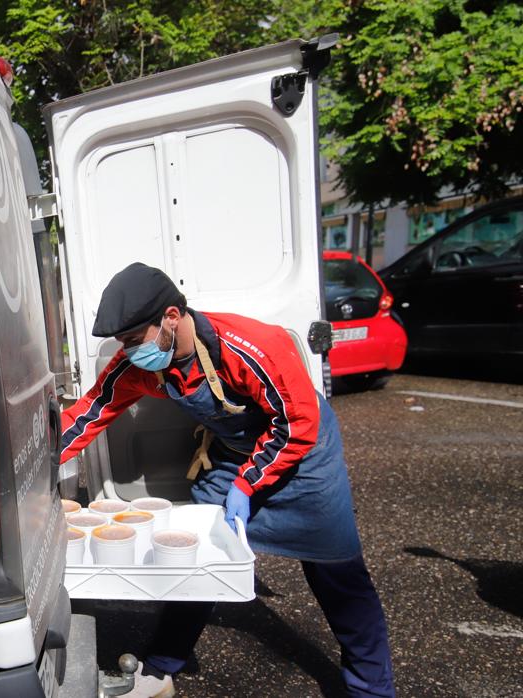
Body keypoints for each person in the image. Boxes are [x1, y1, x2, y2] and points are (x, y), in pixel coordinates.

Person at [60, 263, 395, 698]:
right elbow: (91, 411)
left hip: (302, 455)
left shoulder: (254, 347)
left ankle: (372, 689)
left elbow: (297, 423)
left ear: (171, 318)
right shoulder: (140, 366)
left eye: (131, 341)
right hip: (233, 457)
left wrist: (247, 484)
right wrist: (44, 463)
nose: (126, 353)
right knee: (198, 560)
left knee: (338, 574)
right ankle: (161, 670)